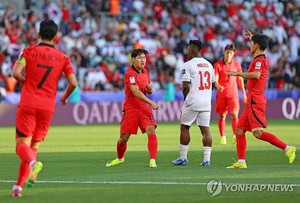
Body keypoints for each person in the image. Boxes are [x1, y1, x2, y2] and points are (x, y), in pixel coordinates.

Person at [11, 19, 78, 196]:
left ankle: (33, 164)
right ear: (56, 37)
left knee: (21, 146)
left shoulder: (28, 51)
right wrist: (64, 96)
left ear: (39, 34)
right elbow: (73, 82)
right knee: (33, 147)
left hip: (28, 103)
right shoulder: (63, 58)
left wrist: (28, 84)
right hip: (47, 107)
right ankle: (18, 187)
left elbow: (16, 73)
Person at [227, 30, 296, 169]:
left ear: (257, 46)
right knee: (239, 130)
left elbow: (256, 75)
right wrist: (253, 37)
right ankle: (241, 162)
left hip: (256, 100)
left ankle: (288, 149)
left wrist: (237, 73)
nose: (250, 46)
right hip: (253, 98)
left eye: (252, 44)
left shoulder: (259, 60)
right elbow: (259, 49)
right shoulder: (262, 57)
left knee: (258, 133)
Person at [106, 48, 159, 168]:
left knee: (151, 129)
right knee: (123, 139)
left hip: (143, 107)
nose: (143, 60)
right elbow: (135, 92)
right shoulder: (129, 73)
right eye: (140, 58)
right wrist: (151, 102)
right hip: (131, 108)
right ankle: (120, 159)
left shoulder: (145, 72)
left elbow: (146, 90)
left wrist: (149, 89)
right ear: (133, 59)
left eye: (144, 58)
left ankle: (152, 161)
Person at [172, 40, 221, 166]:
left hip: (193, 101)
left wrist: (186, 99)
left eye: (188, 49)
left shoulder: (188, 65)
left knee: (184, 127)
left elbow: (185, 86)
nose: (187, 52)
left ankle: (183, 158)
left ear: (193, 49)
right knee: (205, 130)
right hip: (206, 102)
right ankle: (206, 160)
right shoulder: (209, 65)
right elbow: (213, 84)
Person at [214, 44, 247, 145]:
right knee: (222, 116)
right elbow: (215, 78)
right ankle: (222, 136)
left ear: (233, 54)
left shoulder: (236, 65)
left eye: (231, 53)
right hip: (221, 95)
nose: (228, 55)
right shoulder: (217, 65)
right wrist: (218, 85)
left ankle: (235, 136)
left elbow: (240, 79)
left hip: (233, 95)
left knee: (234, 114)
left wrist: (244, 93)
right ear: (224, 52)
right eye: (227, 52)